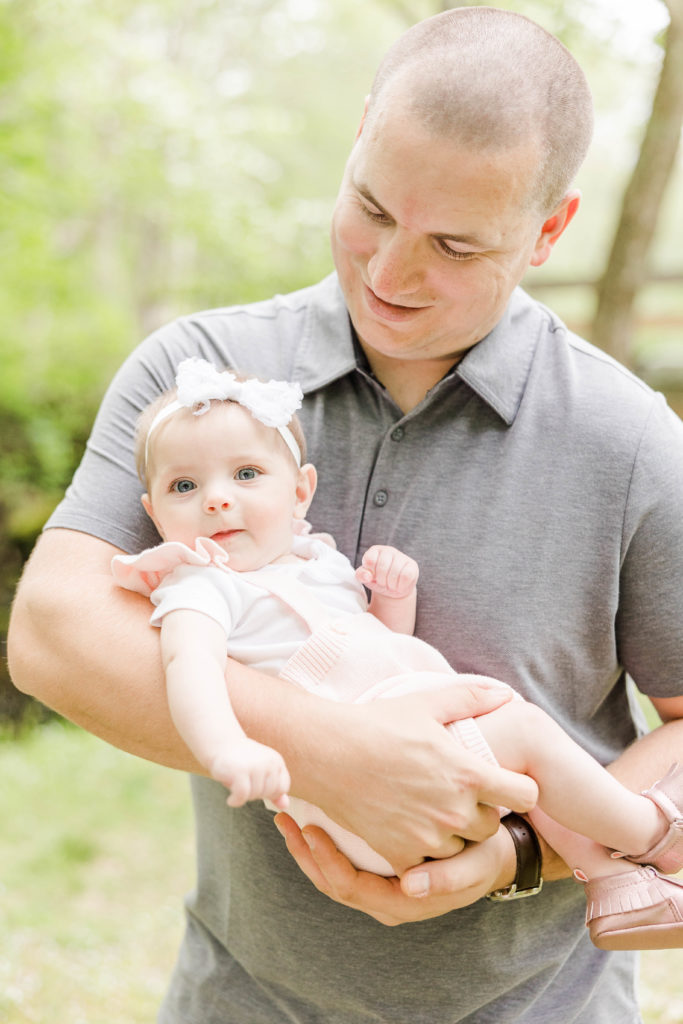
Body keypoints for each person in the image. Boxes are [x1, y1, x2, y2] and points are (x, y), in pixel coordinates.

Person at [7, 6, 683, 1021]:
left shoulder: (632, 442)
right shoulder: (198, 386)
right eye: (370, 206)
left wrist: (512, 851)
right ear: (361, 129)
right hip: (240, 999)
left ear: (548, 230)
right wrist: (328, 751)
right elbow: (52, 631)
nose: (387, 271)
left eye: (454, 246)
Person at [114, 354, 683, 952]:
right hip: (362, 798)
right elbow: (190, 668)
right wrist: (227, 747)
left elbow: (385, 648)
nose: (217, 501)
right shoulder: (202, 584)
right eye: (185, 486)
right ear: (154, 512)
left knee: (523, 766)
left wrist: (392, 598)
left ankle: (620, 889)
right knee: (524, 730)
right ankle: (652, 831)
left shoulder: (315, 563)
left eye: (247, 474)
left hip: (407, 759)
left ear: (301, 491)